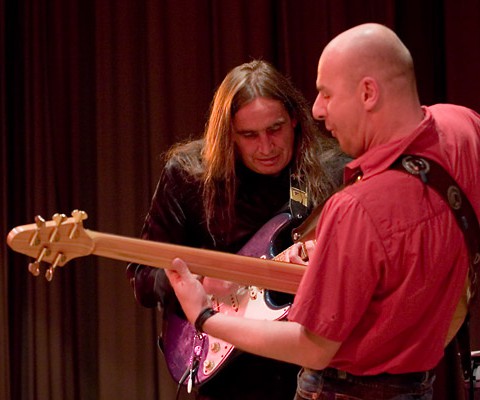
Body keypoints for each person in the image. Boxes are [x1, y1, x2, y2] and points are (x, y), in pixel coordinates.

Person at [164, 23, 480, 400]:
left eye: (327, 94)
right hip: (418, 385)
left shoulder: (355, 209)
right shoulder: (463, 125)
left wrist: (204, 317)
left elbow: (313, 347)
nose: (316, 110)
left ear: (368, 92)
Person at [126, 59, 347, 399]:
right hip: (227, 375)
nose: (266, 147)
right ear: (228, 133)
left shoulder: (334, 172)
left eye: (275, 129)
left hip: (312, 371)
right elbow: (142, 276)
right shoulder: (188, 176)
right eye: (249, 135)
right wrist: (199, 280)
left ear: (294, 119)